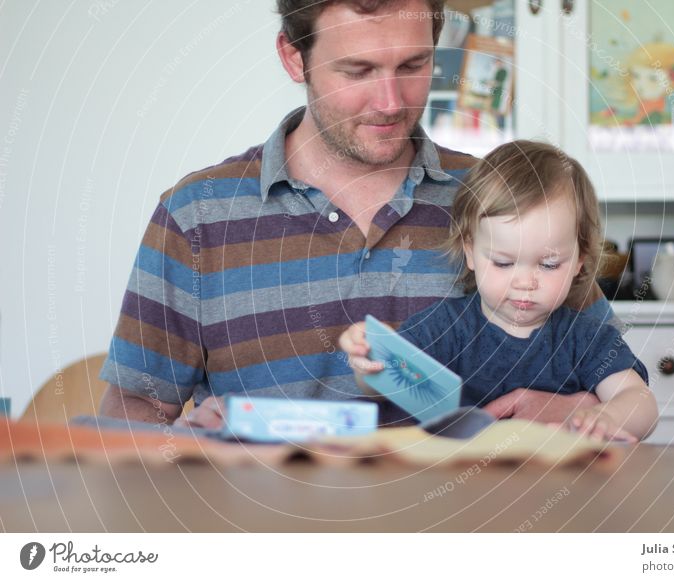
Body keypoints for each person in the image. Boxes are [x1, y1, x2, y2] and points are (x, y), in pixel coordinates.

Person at [98, 0, 614, 429]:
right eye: (358, 70)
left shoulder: (502, 199)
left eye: (413, 66)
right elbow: (136, 411)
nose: (390, 102)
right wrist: (180, 448)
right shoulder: (197, 215)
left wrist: (578, 410)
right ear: (293, 57)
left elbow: (611, 382)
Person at [340, 141, 658, 441]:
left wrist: (609, 416)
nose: (525, 282)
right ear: (470, 252)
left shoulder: (586, 340)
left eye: (549, 265)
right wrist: (367, 359)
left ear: (579, 260)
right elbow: (382, 383)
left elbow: (640, 401)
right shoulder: (444, 328)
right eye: (504, 263)